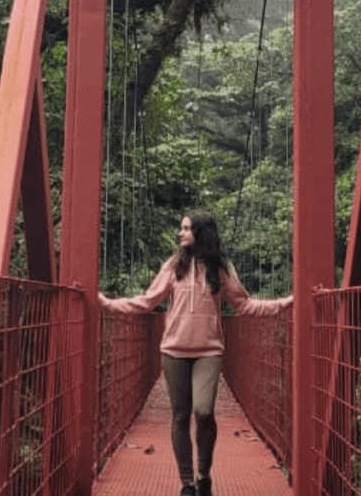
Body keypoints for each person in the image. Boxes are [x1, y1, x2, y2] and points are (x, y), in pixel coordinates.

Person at [99, 209, 293, 496]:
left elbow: (245, 305)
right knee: (180, 416)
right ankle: (188, 483)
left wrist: (285, 303)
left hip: (209, 351)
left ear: (201, 233)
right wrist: (108, 304)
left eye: (187, 229)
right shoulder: (174, 265)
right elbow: (147, 301)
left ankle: (205, 474)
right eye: (182, 228)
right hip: (173, 351)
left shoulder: (221, 268)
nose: (181, 233)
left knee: (203, 411)